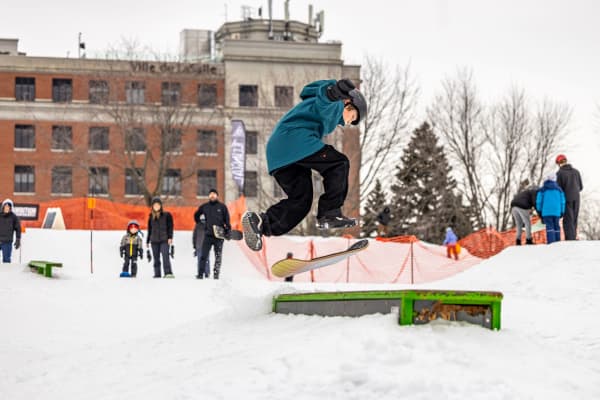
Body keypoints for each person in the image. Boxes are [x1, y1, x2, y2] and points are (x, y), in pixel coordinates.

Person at [242, 78, 368, 251]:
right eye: (352, 116)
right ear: (348, 103)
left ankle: (261, 224)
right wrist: (335, 92)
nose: (347, 122)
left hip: (280, 154)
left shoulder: (328, 110)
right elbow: (325, 98)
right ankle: (330, 213)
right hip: (294, 141)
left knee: (301, 201)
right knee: (339, 163)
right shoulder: (335, 105)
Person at [194, 189, 231, 279]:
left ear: (217, 195)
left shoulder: (222, 207)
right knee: (203, 255)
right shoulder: (205, 206)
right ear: (209, 196)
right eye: (210, 194)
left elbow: (227, 220)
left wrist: (228, 230)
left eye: (214, 194)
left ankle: (216, 274)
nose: (212, 195)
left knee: (218, 256)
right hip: (208, 235)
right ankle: (200, 274)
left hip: (219, 236)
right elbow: (196, 215)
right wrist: (200, 223)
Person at [555, 154, 583, 240]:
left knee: (568, 220)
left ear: (559, 163)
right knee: (574, 219)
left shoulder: (559, 173)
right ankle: (573, 237)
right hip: (577, 198)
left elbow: (558, 190)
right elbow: (581, 187)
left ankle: (570, 241)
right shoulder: (576, 171)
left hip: (566, 199)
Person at [146, 197, 174, 278]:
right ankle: (157, 274)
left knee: (165, 256)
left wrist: (170, 237)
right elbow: (149, 230)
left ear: (161, 206)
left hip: (164, 240)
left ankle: (168, 273)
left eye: (158, 205)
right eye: (155, 205)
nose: (156, 206)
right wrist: (147, 241)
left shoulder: (166, 215)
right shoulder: (151, 217)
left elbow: (170, 227)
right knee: (156, 258)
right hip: (154, 240)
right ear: (152, 206)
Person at [536, 173, 566, 244]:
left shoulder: (542, 189)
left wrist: (539, 210)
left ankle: (551, 243)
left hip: (546, 212)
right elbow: (563, 201)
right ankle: (558, 242)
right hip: (557, 211)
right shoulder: (559, 190)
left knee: (549, 227)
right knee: (556, 226)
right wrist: (562, 211)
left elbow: (539, 201)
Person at [0, 199, 21, 263]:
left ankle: (6, 272)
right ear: (3, 207)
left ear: (11, 208)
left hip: (7, 242)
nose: (7, 208)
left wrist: (18, 239)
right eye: (5, 206)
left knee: (6, 259)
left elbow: (18, 229)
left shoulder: (13, 217)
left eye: (8, 207)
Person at [192, 214, 211, 279]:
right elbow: (194, 236)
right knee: (201, 259)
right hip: (199, 246)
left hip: (205, 245)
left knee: (205, 259)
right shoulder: (197, 225)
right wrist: (194, 246)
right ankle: (201, 273)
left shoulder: (209, 225)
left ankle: (206, 273)